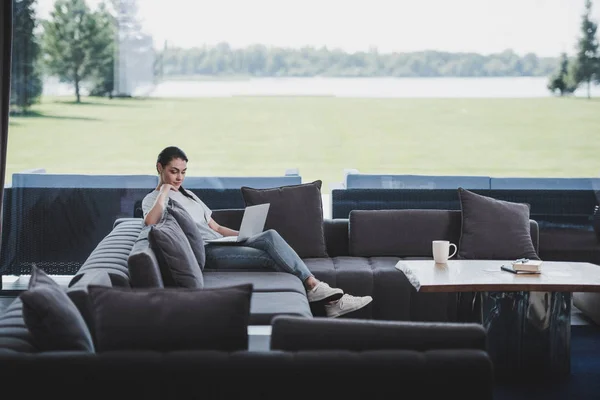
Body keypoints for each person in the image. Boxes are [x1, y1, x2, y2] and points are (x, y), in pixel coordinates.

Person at [142, 146, 373, 318]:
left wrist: (245, 236)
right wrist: (163, 191)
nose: (179, 178)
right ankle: (324, 293)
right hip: (207, 252)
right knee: (272, 253)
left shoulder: (189, 195)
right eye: (173, 171)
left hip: (220, 243)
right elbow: (150, 222)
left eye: (183, 172)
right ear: (160, 168)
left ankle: (329, 300)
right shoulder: (153, 200)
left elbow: (216, 227)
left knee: (268, 239)